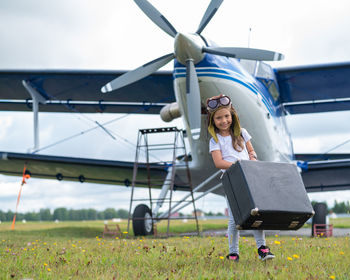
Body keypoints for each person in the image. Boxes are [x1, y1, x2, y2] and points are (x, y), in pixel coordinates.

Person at [207, 94, 275, 262]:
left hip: (249, 177)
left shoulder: (242, 133)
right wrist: (237, 165)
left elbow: (251, 151)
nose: (224, 121)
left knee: (256, 213)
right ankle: (233, 252)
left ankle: (262, 248)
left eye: (226, 116)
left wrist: (252, 158)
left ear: (232, 116)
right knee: (234, 218)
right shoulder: (215, 140)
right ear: (212, 121)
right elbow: (219, 162)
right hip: (232, 180)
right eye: (219, 118)